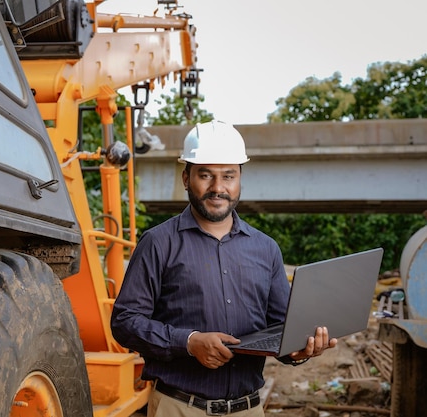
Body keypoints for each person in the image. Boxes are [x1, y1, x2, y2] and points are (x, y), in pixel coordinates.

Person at [110, 120, 337, 417]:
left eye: (228, 176)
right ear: (185, 177)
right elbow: (125, 322)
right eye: (206, 175)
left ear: (240, 178)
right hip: (179, 408)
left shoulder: (266, 249)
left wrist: (298, 350)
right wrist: (189, 342)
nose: (218, 188)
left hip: (248, 409)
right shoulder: (158, 243)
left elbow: (282, 327)